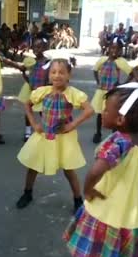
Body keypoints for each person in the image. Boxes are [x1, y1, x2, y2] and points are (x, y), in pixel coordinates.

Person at [63, 85, 138, 257]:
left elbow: (96, 171)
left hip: (107, 216)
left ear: (120, 119)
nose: (102, 111)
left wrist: (88, 190)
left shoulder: (118, 142)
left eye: (106, 109)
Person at [16, 58, 94, 211]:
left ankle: (78, 200)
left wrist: (72, 125)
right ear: (49, 75)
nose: (57, 76)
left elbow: (89, 110)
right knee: (33, 165)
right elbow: (27, 104)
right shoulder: (43, 91)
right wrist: (34, 123)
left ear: (69, 75)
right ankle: (27, 193)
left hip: (64, 138)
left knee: (68, 168)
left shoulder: (73, 94)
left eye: (61, 72)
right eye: (53, 72)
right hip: (43, 135)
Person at [91, 37, 134, 143]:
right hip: (102, 91)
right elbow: (95, 70)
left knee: (113, 113)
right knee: (100, 113)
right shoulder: (103, 60)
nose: (115, 51)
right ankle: (98, 132)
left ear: (120, 50)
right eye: (113, 48)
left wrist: (123, 84)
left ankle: (114, 135)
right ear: (109, 48)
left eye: (118, 49)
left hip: (113, 93)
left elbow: (131, 73)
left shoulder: (121, 62)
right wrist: (98, 81)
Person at [17, 38, 50, 141]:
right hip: (31, 90)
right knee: (28, 110)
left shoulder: (47, 62)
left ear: (45, 48)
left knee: (43, 111)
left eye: (40, 47)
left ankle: (46, 130)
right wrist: (25, 76)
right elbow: (25, 71)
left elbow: (49, 76)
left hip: (42, 90)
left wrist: (47, 88)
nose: (37, 49)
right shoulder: (31, 61)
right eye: (35, 47)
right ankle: (28, 132)